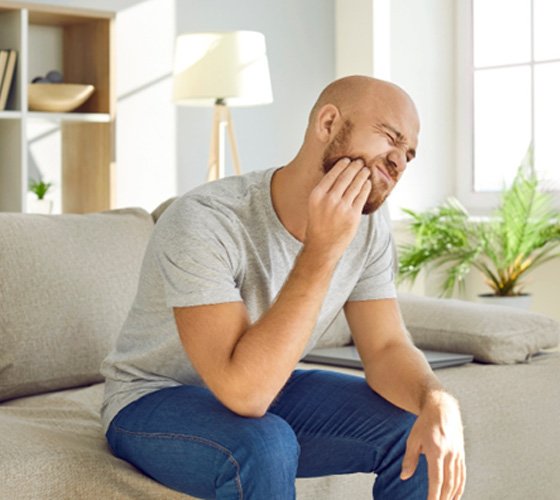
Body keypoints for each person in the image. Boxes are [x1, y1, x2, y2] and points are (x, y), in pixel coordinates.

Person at [101, 75, 466, 500]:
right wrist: (322, 249)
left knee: (415, 426)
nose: (399, 161)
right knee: (264, 444)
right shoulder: (205, 219)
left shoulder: (368, 228)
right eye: (389, 137)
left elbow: (385, 347)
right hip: (152, 399)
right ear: (328, 123)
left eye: (409, 154)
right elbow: (245, 394)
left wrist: (435, 399)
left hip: (269, 379)